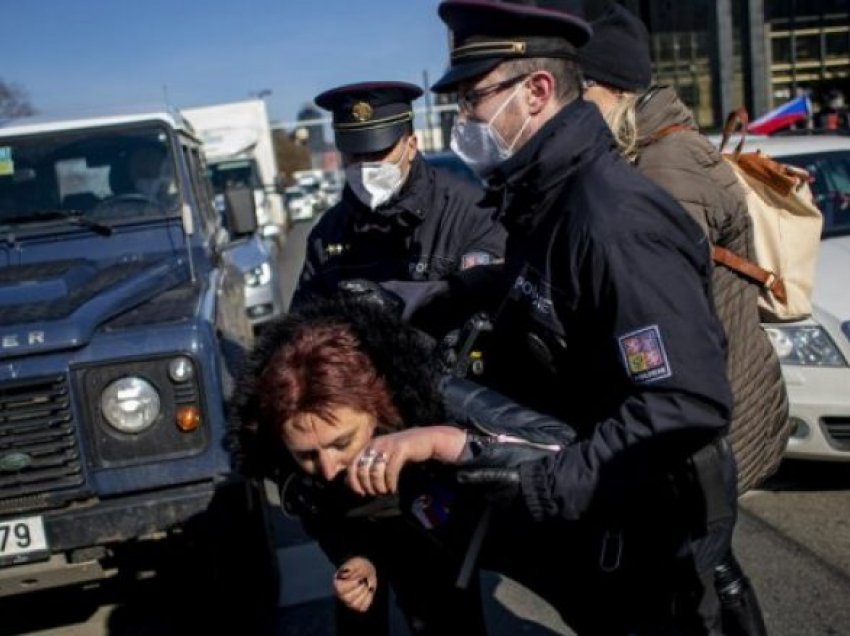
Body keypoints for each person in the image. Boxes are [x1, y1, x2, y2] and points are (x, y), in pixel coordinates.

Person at [412, 0, 738, 633]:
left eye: (473, 99)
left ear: (536, 91)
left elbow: (685, 401)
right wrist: (448, 299)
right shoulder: (548, 196)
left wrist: (545, 485)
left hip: (651, 522)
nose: (463, 120)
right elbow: (548, 289)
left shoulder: (610, 216)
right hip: (609, 510)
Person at [577, 4, 787, 634]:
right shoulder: (649, 151)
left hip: (715, 417)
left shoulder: (665, 166)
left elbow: (658, 304)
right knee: (711, 564)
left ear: (612, 88)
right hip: (713, 411)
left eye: (578, 89)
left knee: (699, 572)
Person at [231, 297, 576, 636]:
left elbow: (560, 446)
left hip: (493, 529)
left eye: (342, 443)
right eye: (307, 455)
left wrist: (440, 441)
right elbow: (321, 511)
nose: (329, 467)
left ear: (377, 404)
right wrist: (355, 556)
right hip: (401, 541)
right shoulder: (279, 450)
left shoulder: (436, 394)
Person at [290, 81, 506, 336]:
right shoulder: (327, 234)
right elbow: (301, 330)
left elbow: (492, 299)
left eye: (379, 152)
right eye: (353, 155)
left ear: (411, 145)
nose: (365, 166)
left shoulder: (470, 213)